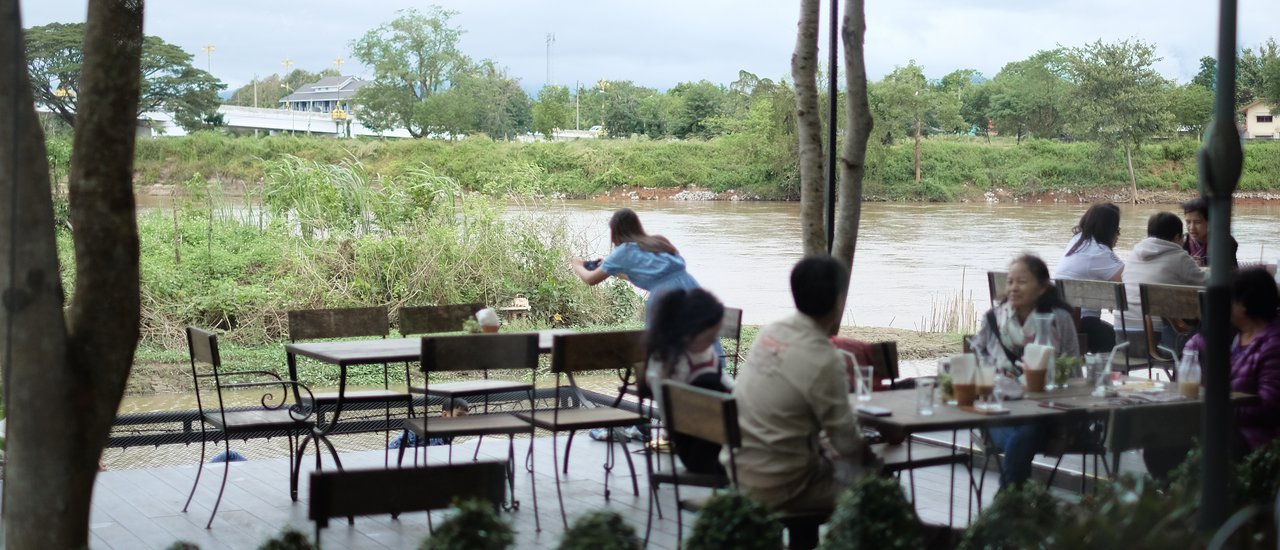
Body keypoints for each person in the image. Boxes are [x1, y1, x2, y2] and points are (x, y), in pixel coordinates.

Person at [729, 256, 875, 512]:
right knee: (875, 487)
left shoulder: (771, 332)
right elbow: (846, 441)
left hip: (738, 469)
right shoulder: (824, 358)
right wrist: (868, 452)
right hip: (782, 486)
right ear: (839, 300)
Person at [976, 254, 1080, 488]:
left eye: (1021, 282)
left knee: (1028, 429)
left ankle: (1009, 501)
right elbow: (978, 358)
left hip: (1047, 411)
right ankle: (1011, 499)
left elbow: (1072, 366)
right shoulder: (993, 319)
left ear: (1042, 287)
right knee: (1025, 433)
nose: (1013, 288)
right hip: (1000, 409)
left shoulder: (1059, 320)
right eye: (1010, 281)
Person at [1185, 267, 1280, 452]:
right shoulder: (1237, 337)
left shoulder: (1273, 345)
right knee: (1162, 442)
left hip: (1254, 439)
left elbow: (1269, 407)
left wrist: (1219, 411)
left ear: (1243, 304)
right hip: (1227, 426)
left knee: (1174, 447)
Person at [645, 288, 734, 475]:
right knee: (708, 383)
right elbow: (671, 416)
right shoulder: (667, 363)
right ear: (688, 331)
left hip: (720, 440)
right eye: (710, 336)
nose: (713, 341)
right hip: (697, 451)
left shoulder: (703, 352)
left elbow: (727, 384)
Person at [572, 208, 703, 323]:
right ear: (637, 226)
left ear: (615, 232)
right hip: (692, 290)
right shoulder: (659, 241)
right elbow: (653, 277)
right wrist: (612, 270)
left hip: (666, 301)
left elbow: (591, 279)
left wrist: (577, 265)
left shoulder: (624, 250)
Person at [1122, 212, 1207, 352]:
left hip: (1123, 339)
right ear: (1177, 237)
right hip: (1159, 341)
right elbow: (1207, 283)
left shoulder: (1134, 254)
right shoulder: (1179, 257)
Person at [1055, 202, 1124, 353]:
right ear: (1109, 230)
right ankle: (1111, 376)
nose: (1118, 235)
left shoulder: (1077, 241)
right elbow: (1130, 284)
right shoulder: (1100, 253)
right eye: (1117, 230)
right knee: (1123, 344)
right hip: (1081, 324)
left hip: (1059, 321)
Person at [1181, 197, 1239, 270]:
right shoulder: (1183, 241)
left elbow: (1231, 271)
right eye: (1188, 222)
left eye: (1198, 222)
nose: (1192, 228)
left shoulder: (1224, 242)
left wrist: (1203, 264)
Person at [389, 399, 469, 449]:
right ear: (445, 415)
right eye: (458, 415)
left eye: (465, 417)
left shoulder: (448, 431)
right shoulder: (437, 433)